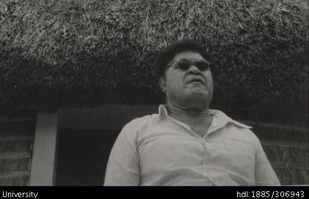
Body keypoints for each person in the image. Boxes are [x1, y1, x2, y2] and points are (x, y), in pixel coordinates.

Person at [104, 39, 280, 186]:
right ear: (163, 83)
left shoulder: (246, 137)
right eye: (183, 65)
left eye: (203, 66)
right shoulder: (136, 131)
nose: (195, 70)